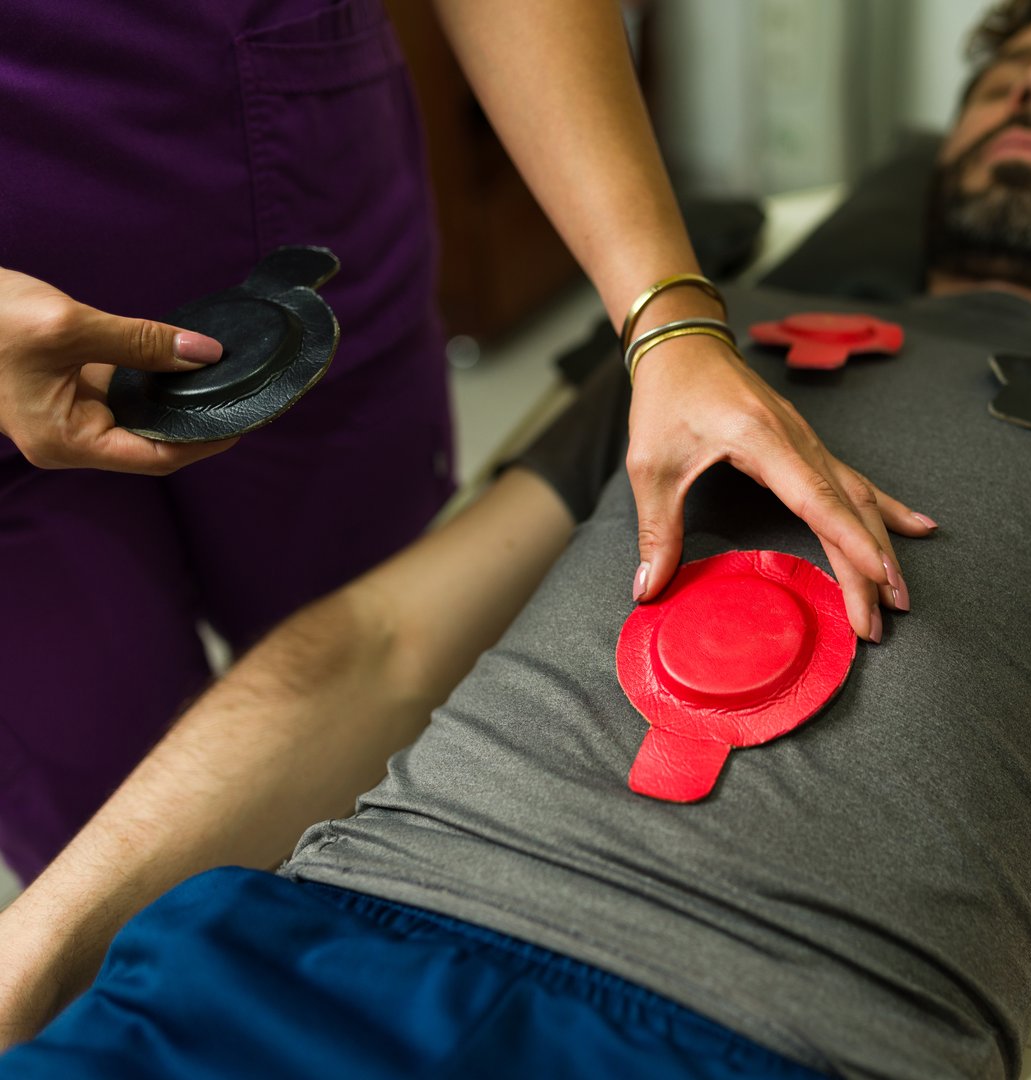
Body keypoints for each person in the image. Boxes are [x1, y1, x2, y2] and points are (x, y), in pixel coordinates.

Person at [0, 1, 1031, 1077]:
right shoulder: (697, 348)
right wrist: (25, 966)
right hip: (300, 965)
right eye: (1007, 78)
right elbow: (370, 647)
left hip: (787, 1038)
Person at [0, 0, 914, 883]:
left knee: (398, 709)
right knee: (105, 829)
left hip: (289, 192)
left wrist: (666, 316)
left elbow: (389, 652)